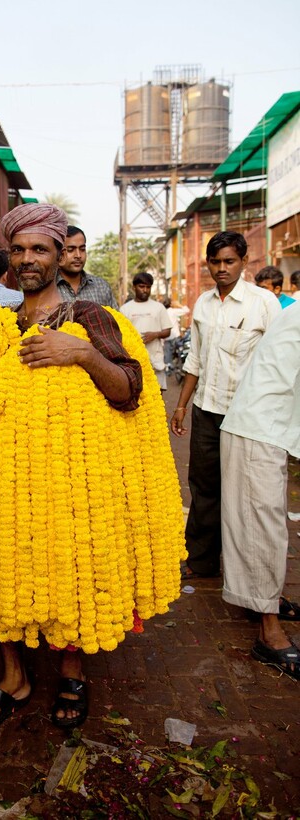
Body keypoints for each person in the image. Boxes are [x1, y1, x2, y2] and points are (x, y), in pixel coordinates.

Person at [0, 203, 185, 737]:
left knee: (70, 578)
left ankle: (71, 674)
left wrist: (81, 355)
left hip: (70, 491)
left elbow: (131, 388)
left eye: (40, 249)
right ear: (9, 260)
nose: (28, 259)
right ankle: (14, 678)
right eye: (19, 250)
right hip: (3, 489)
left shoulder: (91, 318)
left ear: (61, 255)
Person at [171, 231, 281, 580]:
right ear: (208, 264)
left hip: (247, 415)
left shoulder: (264, 303)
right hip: (206, 409)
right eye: (215, 262)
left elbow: (279, 361)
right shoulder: (203, 303)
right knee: (203, 486)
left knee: (246, 494)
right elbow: (196, 359)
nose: (222, 268)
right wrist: (182, 406)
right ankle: (201, 561)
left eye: (229, 261)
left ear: (244, 262)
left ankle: (247, 573)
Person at [220, 301, 300, 679]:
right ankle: (269, 633)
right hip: (259, 428)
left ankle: (266, 597)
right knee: (262, 530)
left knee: (265, 528)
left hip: (269, 426)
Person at [120, 273, 171, 391]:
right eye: (141, 286)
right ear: (134, 287)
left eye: (148, 287)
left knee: (158, 393)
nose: (145, 290)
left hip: (155, 359)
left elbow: (167, 331)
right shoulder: (125, 309)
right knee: (138, 394)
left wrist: (155, 335)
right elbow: (121, 334)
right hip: (134, 359)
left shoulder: (159, 307)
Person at [57, 225, 118, 309]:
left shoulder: (102, 287)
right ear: (59, 252)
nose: (78, 255)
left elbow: (116, 321)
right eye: (70, 250)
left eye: (82, 249)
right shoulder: (48, 289)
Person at [162, 297, 189, 371]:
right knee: (181, 352)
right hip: (176, 337)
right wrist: (179, 305)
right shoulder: (173, 311)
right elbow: (187, 310)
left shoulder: (162, 313)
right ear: (170, 304)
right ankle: (181, 367)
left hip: (167, 338)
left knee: (168, 356)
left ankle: (168, 370)